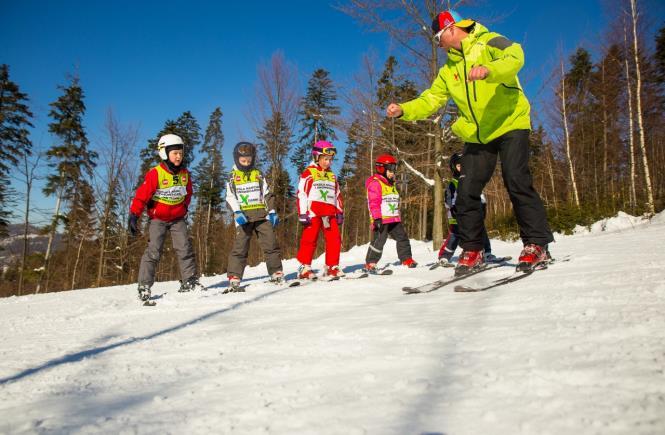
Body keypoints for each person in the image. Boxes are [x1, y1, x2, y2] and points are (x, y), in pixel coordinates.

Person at [386, 9, 553, 275]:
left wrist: (490, 69)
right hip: (478, 134)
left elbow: (515, 56)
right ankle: (473, 249)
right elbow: (431, 99)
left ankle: (536, 244)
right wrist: (404, 110)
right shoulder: (448, 70)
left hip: (511, 122)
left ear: (452, 30)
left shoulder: (490, 41)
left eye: (439, 38)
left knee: (516, 179)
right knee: (465, 192)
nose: (439, 45)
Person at [128, 134, 203, 303]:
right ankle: (144, 285)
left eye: (180, 153)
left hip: (178, 219)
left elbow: (188, 192)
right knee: (153, 251)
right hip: (158, 219)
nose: (178, 156)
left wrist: (184, 207)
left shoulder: (185, 174)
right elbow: (142, 196)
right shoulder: (156, 174)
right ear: (164, 153)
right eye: (174, 153)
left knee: (184, 248)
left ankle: (189, 280)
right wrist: (134, 215)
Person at [225, 142, 284, 292]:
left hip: (262, 215)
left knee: (270, 243)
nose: (246, 164)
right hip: (244, 217)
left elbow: (267, 193)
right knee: (240, 247)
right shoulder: (232, 177)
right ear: (236, 159)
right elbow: (230, 197)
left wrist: (271, 211)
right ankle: (234, 277)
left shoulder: (258, 174)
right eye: (243, 161)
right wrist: (237, 212)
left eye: (249, 160)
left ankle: (276, 272)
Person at [438, 152, 497, 267]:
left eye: (464, 165)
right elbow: (449, 198)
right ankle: (444, 256)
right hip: (456, 216)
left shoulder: (472, 181)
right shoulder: (453, 183)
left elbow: (479, 195)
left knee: (481, 232)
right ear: (454, 167)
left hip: (472, 216)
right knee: (454, 236)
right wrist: (453, 208)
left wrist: (483, 206)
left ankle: (486, 253)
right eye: (459, 166)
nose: (462, 168)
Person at [296, 140, 344, 279]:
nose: (328, 162)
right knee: (310, 239)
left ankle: (332, 266)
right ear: (317, 157)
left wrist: (339, 211)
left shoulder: (332, 175)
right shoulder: (309, 173)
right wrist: (303, 213)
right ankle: (304, 266)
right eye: (325, 159)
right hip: (313, 213)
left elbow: (337, 194)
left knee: (335, 239)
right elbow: (302, 193)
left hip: (329, 213)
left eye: (330, 159)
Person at [364, 154, 418, 272]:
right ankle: (370, 262)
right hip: (381, 219)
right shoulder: (376, 183)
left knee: (402, 237)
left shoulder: (391, 184)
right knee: (379, 241)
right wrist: (377, 218)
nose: (392, 173)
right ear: (381, 169)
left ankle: (406, 259)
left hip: (393, 219)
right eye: (389, 171)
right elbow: (374, 203)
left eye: (393, 171)